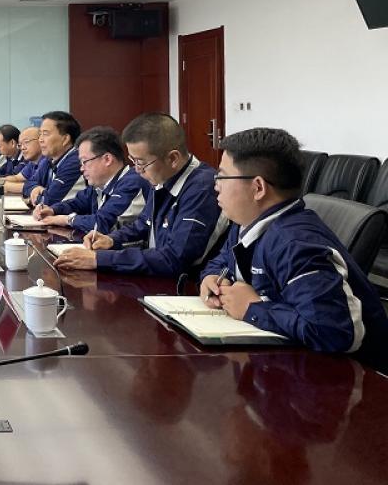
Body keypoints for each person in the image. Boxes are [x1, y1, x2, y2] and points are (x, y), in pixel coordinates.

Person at [200, 128, 388, 371]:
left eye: (222, 177)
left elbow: (333, 331)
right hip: (284, 362)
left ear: (258, 188)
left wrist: (253, 308)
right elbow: (224, 259)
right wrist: (212, 277)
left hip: (348, 378)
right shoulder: (246, 222)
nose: (216, 186)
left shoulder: (295, 244)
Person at [54, 112, 223, 276]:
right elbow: (143, 224)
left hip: (186, 285)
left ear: (172, 158)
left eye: (141, 162)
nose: (136, 170)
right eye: (133, 160)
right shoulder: (162, 175)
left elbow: (174, 258)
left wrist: (100, 259)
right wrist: (112, 239)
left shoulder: (201, 188)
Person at [32, 126, 145, 235]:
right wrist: (52, 210)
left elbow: (104, 223)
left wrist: (67, 220)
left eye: (84, 162)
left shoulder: (132, 181)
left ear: (107, 159)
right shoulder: (99, 185)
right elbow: (77, 203)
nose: (81, 169)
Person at [22, 111, 83, 207]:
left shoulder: (75, 162)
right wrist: (35, 188)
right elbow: (27, 184)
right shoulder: (49, 160)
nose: (40, 140)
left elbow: (48, 201)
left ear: (65, 139)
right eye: (40, 134)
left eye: (45, 134)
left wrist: (38, 196)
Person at [0, 125, 41, 194]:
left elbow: (30, 186)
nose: (22, 148)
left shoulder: (44, 162)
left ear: (41, 141)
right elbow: (17, 178)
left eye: (26, 142)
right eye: (20, 145)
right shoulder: (32, 163)